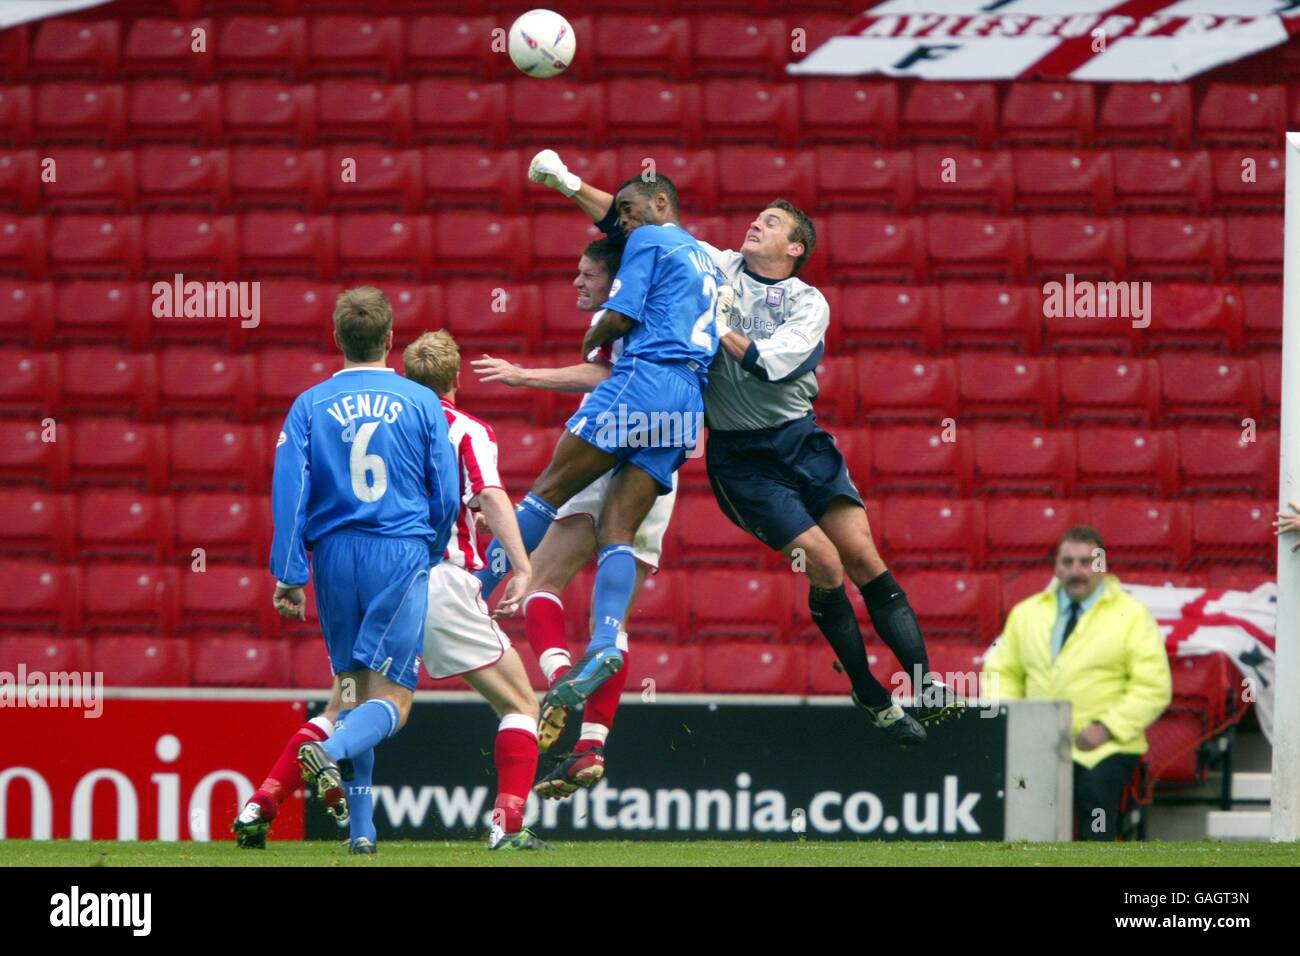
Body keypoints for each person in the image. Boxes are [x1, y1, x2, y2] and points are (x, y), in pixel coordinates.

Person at [525, 148, 959, 745]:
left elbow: (772, 366)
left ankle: (926, 681)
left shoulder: (809, 303)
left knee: (863, 556)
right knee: (826, 564)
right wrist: (570, 182)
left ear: (795, 249)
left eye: (773, 222)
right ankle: (869, 691)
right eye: (757, 216)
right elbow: (629, 222)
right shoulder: (714, 264)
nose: (757, 222)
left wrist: (708, 324)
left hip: (801, 440)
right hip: (741, 457)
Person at [472, 173, 721, 716]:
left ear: (660, 204)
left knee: (546, 491)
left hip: (644, 379)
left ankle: (473, 591)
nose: (623, 222)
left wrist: (595, 334)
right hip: (688, 400)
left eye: (628, 209)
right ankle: (605, 641)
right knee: (618, 532)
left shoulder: (651, 239)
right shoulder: (706, 258)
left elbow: (621, 313)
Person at [235, 287, 459, 851]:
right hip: (398, 549)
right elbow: (448, 493)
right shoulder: (421, 402)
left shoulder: (308, 405)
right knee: (396, 698)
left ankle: (360, 832)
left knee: (352, 691)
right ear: (390, 339)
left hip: (334, 555)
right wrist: (430, 549)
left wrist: (290, 572)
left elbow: (290, 490)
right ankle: (327, 752)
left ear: (336, 338)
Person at [473, 237, 678, 797]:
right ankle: (590, 746)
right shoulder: (672, 309)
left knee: (542, 578)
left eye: (586, 275)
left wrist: (523, 375)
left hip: (604, 437)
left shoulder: (626, 315)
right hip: (665, 449)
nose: (576, 284)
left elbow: (604, 379)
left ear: (616, 281)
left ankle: (557, 672)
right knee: (612, 623)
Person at [381, 329, 549, 851]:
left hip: (377, 581)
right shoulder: (463, 429)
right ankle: (508, 824)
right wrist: (521, 566)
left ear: (406, 377)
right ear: (457, 378)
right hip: (440, 579)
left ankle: (264, 801)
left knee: (353, 707)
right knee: (522, 703)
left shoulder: (382, 428)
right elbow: (490, 494)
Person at [982, 526, 1172, 841]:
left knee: (1094, 799)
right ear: (1056, 566)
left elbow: (1153, 686)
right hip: (1036, 746)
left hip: (1106, 746)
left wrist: (1106, 727)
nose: (1076, 571)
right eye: (1067, 562)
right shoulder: (1026, 614)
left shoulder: (1133, 615)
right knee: (1016, 801)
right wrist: (1015, 723)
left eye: (1086, 562)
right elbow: (1000, 673)